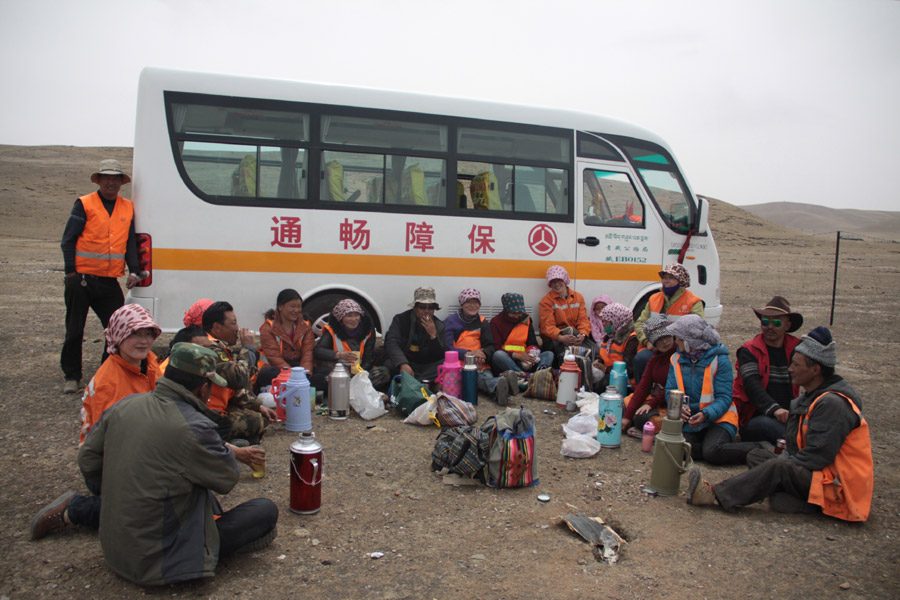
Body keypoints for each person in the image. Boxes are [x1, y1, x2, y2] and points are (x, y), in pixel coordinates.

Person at [33, 343, 278, 584]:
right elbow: (226, 478)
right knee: (264, 510)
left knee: (194, 491)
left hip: (115, 548)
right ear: (203, 388)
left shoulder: (126, 404)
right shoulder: (195, 426)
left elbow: (88, 462)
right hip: (161, 560)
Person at [686, 327, 873, 522]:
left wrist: (778, 466)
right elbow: (795, 447)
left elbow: (817, 457)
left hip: (837, 486)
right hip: (817, 475)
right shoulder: (810, 397)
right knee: (757, 456)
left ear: (815, 370)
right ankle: (796, 500)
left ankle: (715, 494)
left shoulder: (833, 404)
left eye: (796, 365)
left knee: (778, 467)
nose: (790, 369)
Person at [60, 160, 141, 394]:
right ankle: (72, 376)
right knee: (75, 329)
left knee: (117, 328)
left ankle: (107, 371)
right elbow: (68, 240)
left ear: (121, 182)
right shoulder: (84, 204)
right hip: (81, 279)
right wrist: (71, 272)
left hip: (108, 281)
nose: (111, 182)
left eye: (116, 178)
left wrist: (134, 270)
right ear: (99, 180)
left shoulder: (127, 207)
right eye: (107, 178)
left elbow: (130, 243)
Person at [665, 315, 762, 465]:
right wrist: (680, 408)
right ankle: (709, 446)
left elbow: (724, 397)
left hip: (720, 419)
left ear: (690, 341)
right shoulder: (675, 359)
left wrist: (706, 414)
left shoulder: (720, 360)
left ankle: (759, 448)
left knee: (713, 451)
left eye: (679, 337)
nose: (675, 341)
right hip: (692, 420)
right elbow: (670, 391)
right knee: (676, 450)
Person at [80, 304, 163, 446]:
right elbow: (108, 440)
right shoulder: (107, 383)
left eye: (148, 334)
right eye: (135, 333)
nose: (144, 341)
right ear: (119, 335)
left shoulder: (150, 362)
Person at [732, 296, 803, 445]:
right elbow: (752, 387)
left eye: (777, 322)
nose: (770, 326)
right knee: (782, 431)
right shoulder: (748, 351)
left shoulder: (797, 349)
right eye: (765, 322)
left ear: (787, 326)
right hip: (755, 418)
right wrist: (775, 410)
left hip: (787, 415)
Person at [203, 301, 276, 443]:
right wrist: (248, 349)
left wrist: (258, 405)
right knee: (254, 421)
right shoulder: (210, 348)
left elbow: (233, 390)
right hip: (208, 410)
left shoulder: (220, 346)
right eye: (233, 323)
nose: (237, 328)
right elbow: (239, 378)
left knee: (259, 415)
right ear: (217, 327)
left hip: (220, 403)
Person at [633, 263, 705, 385]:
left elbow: (697, 330)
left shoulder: (694, 302)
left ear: (681, 280)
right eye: (664, 277)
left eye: (671, 277)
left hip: (679, 349)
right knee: (641, 359)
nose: (666, 281)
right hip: (655, 347)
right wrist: (646, 341)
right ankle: (643, 392)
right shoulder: (653, 299)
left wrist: (678, 344)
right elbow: (640, 323)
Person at [443, 289, 518, 405]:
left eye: (476, 302)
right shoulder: (450, 321)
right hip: (460, 366)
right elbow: (447, 348)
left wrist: (483, 356)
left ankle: (500, 386)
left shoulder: (483, 322)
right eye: (468, 302)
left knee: (482, 382)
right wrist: (469, 354)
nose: (472, 305)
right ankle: (502, 384)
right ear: (462, 304)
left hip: (481, 365)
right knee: (474, 379)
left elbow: (490, 346)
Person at [314, 298, 389, 391]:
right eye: (349, 316)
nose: (353, 319)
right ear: (341, 317)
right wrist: (339, 355)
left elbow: (369, 359)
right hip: (338, 371)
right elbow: (318, 351)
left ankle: (350, 387)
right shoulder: (331, 330)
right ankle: (350, 388)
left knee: (382, 373)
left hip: (359, 371)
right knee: (320, 377)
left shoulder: (368, 331)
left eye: (356, 315)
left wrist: (359, 373)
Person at [621, 314, 675, 435]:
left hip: (670, 405)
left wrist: (651, 404)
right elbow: (643, 388)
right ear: (653, 343)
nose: (664, 342)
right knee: (622, 406)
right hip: (656, 401)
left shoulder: (678, 357)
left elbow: (672, 389)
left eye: (666, 337)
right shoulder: (654, 361)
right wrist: (627, 417)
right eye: (659, 340)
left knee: (643, 418)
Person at [384, 286, 447, 382]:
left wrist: (433, 336)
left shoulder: (439, 325)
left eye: (430, 308)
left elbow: (439, 355)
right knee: (388, 366)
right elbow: (392, 343)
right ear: (415, 308)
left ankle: (416, 380)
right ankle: (418, 380)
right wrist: (403, 363)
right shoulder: (400, 320)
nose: (426, 311)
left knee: (444, 365)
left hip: (423, 365)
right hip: (404, 361)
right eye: (422, 307)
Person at [538, 265, 593, 365]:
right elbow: (547, 327)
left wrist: (583, 335)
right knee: (571, 352)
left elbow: (583, 320)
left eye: (559, 280)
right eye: (553, 281)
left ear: (565, 280)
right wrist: (561, 338)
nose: (556, 284)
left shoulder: (578, 297)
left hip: (575, 335)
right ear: (550, 284)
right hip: (556, 339)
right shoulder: (546, 301)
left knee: (595, 351)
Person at [490, 292, 554, 376]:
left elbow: (532, 343)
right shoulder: (496, 322)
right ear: (506, 311)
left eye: (519, 313)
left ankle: (539, 375)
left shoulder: (526, 319)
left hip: (525, 359)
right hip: (509, 360)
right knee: (498, 355)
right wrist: (517, 356)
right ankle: (524, 376)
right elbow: (496, 348)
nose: (517, 316)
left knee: (549, 354)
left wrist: (531, 354)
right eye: (513, 313)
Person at [259, 289, 315, 372]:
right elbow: (273, 357)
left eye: (299, 306)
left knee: (322, 373)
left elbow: (308, 354)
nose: (296, 310)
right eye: (292, 306)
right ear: (280, 307)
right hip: (277, 370)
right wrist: (291, 374)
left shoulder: (305, 326)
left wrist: (304, 373)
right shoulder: (268, 328)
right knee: (267, 373)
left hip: (299, 369)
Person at [592, 302, 639, 388]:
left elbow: (629, 370)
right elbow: (605, 355)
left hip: (624, 382)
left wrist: (606, 369)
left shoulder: (631, 339)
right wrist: (599, 361)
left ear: (616, 321)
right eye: (602, 321)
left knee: (602, 384)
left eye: (606, 321)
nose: (603, 324)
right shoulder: (610, 336)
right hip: (610, 374)